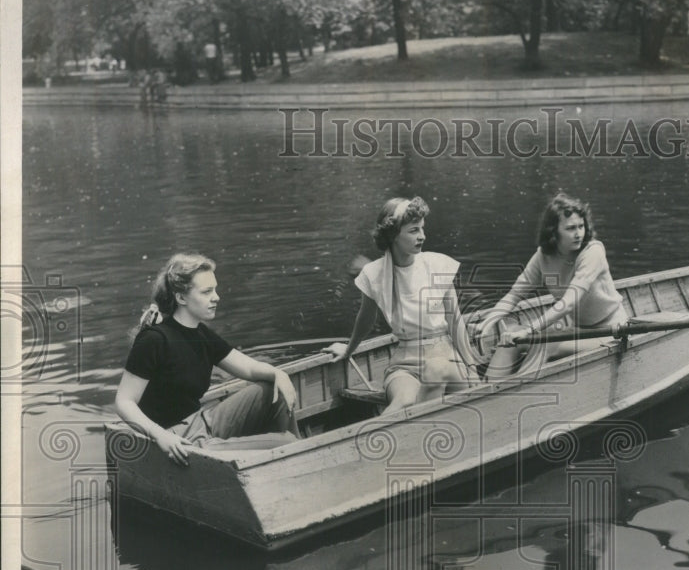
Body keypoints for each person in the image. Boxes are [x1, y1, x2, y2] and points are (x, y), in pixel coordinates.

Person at [115, 253, 299, 466]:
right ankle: (292, 453)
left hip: (203, 422)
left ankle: (287, 457)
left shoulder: (202, 335)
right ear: (181, 298)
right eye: (207, 292)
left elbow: (249, 369)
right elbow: (124, 402)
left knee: (272, 388)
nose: (217, 297)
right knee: (287, 441)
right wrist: (161, 436)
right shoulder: (154, 340)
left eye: (215, 289)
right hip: (179, 440)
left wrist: (279, 373)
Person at [326, 196, 473, 414]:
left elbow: (455, 321)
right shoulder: (373, 274)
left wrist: (471, 367)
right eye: (414, 230)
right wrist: (349, 350)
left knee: (435, 369)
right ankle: (368, 442)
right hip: (405, 363)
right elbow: (365, 319)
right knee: (403, 402)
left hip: (447, 360)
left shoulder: (437, 264)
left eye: (422, 228)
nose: (422, 236)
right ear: (393, 235)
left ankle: (413, 436)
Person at [471, 193, 629, 378]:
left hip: (611, 331)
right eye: (570, 228)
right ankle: (487, 390)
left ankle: (513, 397)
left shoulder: (592, 252)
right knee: (512, 333)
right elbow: (515, 294)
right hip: (579, 330)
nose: (579, 233)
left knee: (545, 344)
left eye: (581, 226)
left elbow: (568, 303)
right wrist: (489, 320)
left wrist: (530, 330)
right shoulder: (543, 256)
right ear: (553, 231)